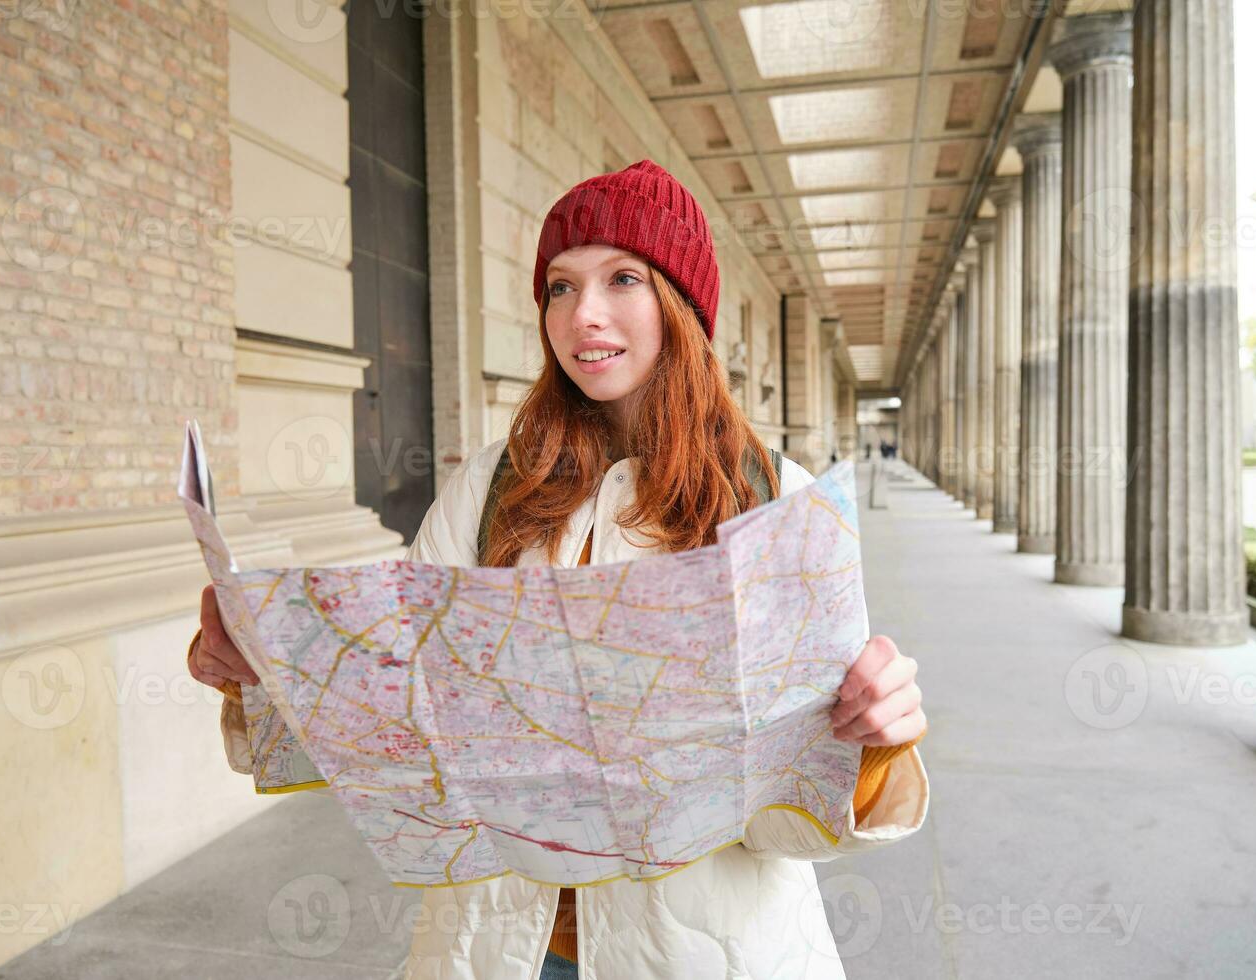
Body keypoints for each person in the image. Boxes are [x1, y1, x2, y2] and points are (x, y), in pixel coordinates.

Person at [188, 159, 929, 980]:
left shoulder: (775, 501)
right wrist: (260, 676)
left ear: (682, 306)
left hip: (706, 953)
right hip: (503, 949)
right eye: (560, 287)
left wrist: (868, 748)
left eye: (623, 278)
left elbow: (790, 826)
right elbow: (400, 724)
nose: (586, 315)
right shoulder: (485, 489)